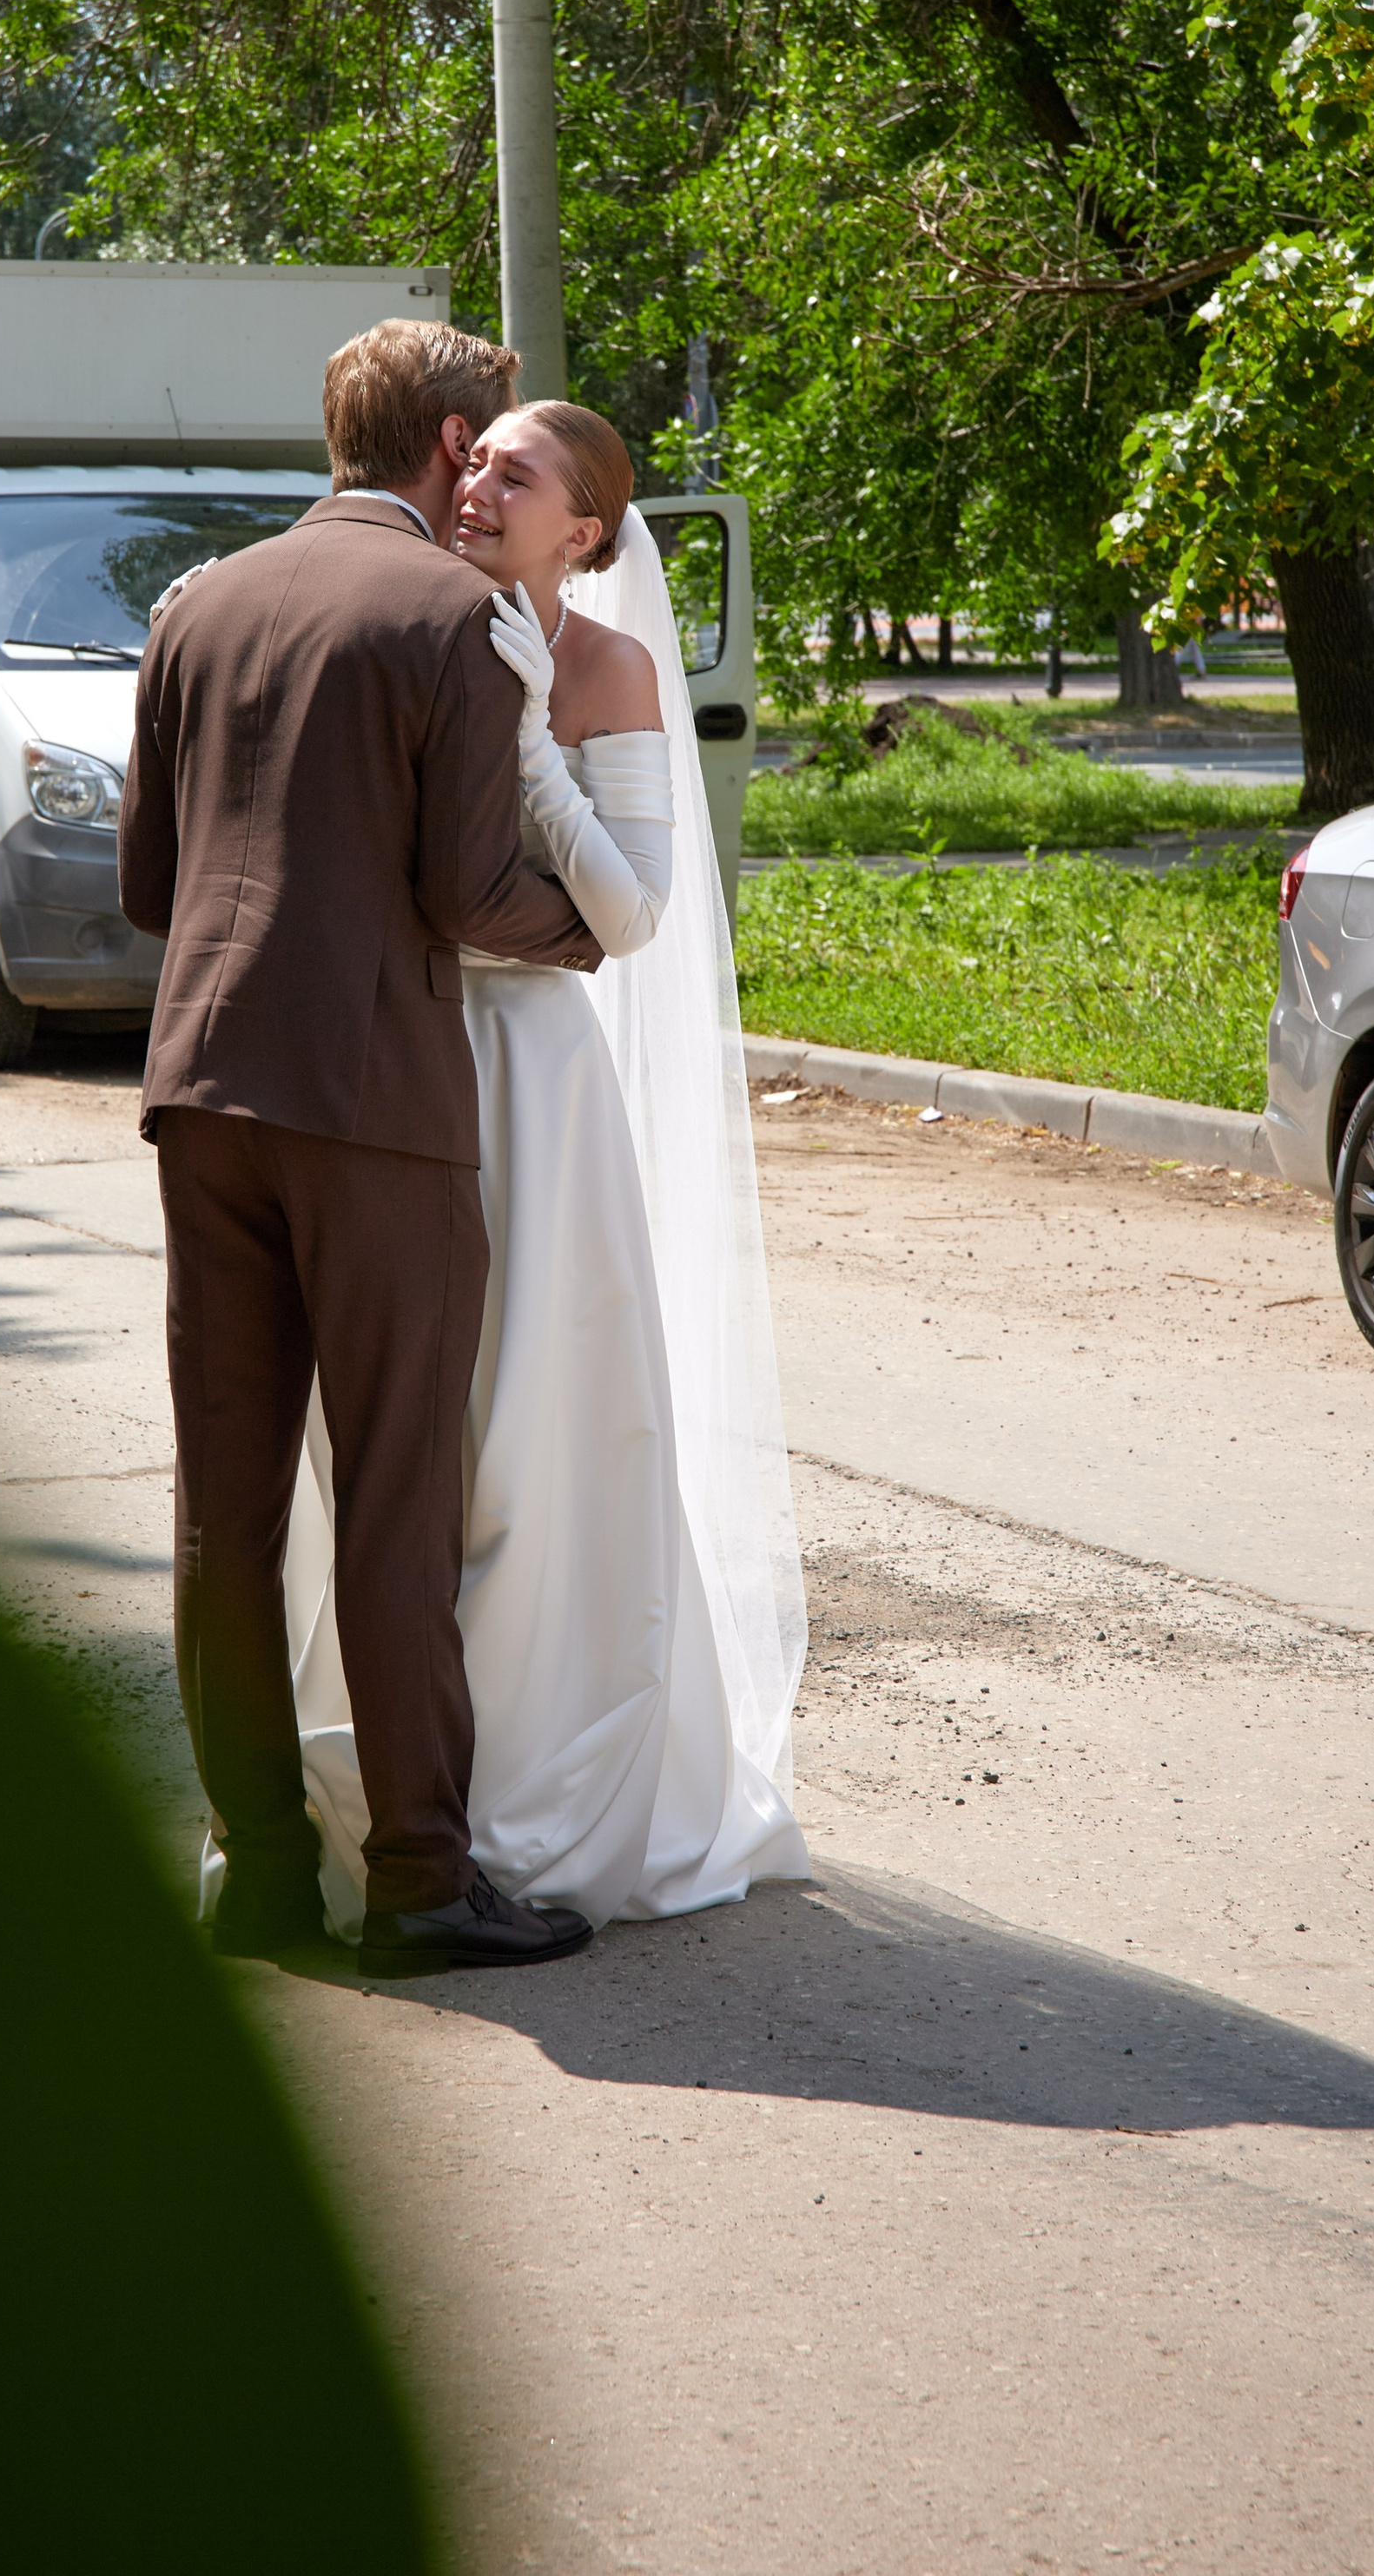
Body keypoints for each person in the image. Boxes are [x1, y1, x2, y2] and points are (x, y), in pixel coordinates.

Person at [119, 320, 605, 1980]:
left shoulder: (198, 605)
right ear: (453, 439)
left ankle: (258, 1870)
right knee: (400, 1496)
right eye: (481, 451)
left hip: (201, 1093)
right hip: (376, 1108)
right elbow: (474, 894)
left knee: (223, 1507)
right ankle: (419, 1879)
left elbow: (146, 887)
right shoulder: (452, 616)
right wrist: (595, 932)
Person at [283, 403, 809, 1933]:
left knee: (537, 1433)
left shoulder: (607, 670)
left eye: (519, 472)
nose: (477, 482)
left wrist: (529, 737)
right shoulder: (402, 622)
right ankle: (393, 1794)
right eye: (473, 459)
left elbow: (633, 913)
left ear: (585, 531)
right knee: (392, 1442)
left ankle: (525, 1798)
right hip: (391, 1061)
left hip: (531, 1075)